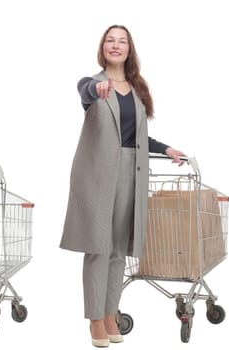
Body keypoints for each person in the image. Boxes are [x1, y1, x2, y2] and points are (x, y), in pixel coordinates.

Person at [60, 24, 186, 348]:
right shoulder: (93, 84)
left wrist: (166, 149)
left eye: (122, 42)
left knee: (118, 250)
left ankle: (110, 312)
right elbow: (85, 91)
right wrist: (95, 91)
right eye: (110, 41)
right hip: (99, 174)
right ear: (103, 48)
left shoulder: (137, 88)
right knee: (97, 247)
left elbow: (138, 135)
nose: (115, 46)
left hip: (133, 170)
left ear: (129, 50)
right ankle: (94, 319)